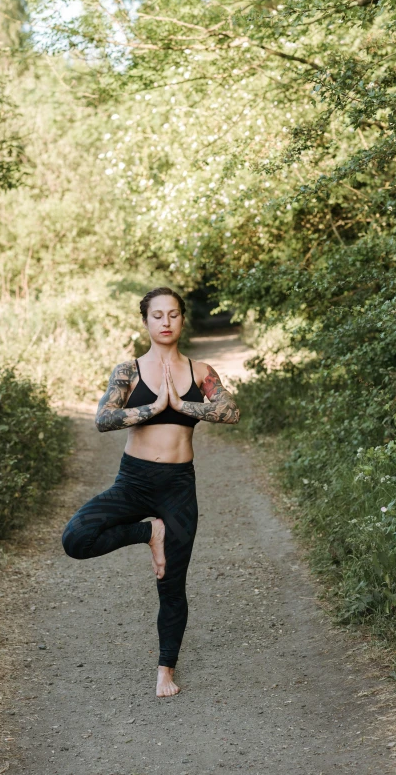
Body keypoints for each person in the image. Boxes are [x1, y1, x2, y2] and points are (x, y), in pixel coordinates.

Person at [61, 286, 240, 697]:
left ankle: (165, 669)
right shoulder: (129, 370)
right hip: (134, 482)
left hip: (178, 487)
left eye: (173, 314)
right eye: (157, 315)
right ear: (145, 321)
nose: (165, 322)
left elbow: (230, 411)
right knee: (76, 538)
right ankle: (149, 532)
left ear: (181, 320)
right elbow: (103, 419)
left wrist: (181, 405)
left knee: (171, 585)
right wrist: (152, 408)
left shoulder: (200, 372)